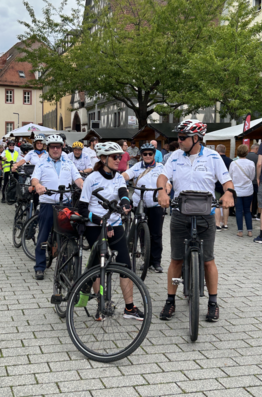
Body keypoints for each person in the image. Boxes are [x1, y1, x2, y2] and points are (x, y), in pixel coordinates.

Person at [157, 119, 235, 322]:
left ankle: (213, 303)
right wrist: (161, 192)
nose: (179, 140)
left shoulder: (212, 157)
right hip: (180, 213)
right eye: (178, 137)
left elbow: (226, 181)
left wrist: (228, 194)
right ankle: (170, 300)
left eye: (182, 137)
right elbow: (163, 178)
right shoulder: (174, 156)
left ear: (196, 138)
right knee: (176, 259)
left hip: (205, 214)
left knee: (208, 260)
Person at [78, 141, 144, 321]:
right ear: (103, 158)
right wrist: (100, 222)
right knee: (100, 266)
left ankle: (129, 308)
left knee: (125, 265)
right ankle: (101, 306)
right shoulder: (92, 178)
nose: (118, 160)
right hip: (95, 226)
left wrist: (125, 202)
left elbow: (123, 192)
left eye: (120, 157)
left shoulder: (118, 177)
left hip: (114, 225)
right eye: (115, 157)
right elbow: (82, 208)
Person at [31, 135, 83, 280]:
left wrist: (83, 185)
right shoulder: (42, 162)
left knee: (67, 237)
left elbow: (77, 178)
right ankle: (40, 266)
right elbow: (35, 178)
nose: (55, 149)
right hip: (48, 202)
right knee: (43, 235)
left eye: (58, 147)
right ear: (48, 148)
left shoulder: (68, 162)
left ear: (62, 148)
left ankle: (65, 267)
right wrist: (38, 186)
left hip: (65, 203)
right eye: (52, 147)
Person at [122, 143, 171, 273]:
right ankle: (146, 260)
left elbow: (168, 183)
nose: (148, 156)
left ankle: (156, 262)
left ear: (154, 155)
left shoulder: (161, 167)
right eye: (145, 154)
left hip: (156, 204)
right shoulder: (137, 166)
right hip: (140, 204)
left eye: (150, 154)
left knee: (156, 234)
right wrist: (120, 181)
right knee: (142, 233)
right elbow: (127, 175)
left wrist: (166, 190)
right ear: (141, 155)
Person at [229, 145, 255, 237]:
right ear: (246, 152)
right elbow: (252, 177)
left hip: (237, 190)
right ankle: (250, 231)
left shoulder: (233, 163)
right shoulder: (251, 163)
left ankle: (240, 231)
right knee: (247, 210)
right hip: (248, 189)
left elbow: (230, 177)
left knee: (239, 210)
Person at [215, 144, 233, 231]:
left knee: (217, 204)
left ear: (217, 151)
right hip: (227, 185)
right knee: (226, 206)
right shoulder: (230, 161)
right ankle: (225, 224)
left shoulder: (215, 160)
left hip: (217, 185)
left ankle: (217, 224)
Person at [246, 143, 259, 220]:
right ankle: (253, 212)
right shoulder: (258, 157)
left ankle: (247, 211)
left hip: (246, 181)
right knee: (255, 198)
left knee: (248, 197)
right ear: (256, 149)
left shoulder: (245, 156)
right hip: (255, 180)